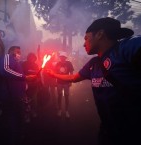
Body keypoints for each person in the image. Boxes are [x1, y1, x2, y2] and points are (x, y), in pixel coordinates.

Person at [46, 17, 141, 145]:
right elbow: (74, 78)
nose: (84, 43)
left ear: (100, 34)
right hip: (108, 132)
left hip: (133, 133)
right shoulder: (93, 64)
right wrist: (53, 74)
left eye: (86, 38)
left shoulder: (125, 48)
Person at [55, 51, 74, 118]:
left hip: (66, 82)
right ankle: (59, 110)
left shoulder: (69, 63)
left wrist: (71, 81)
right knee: (59, 96)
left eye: (63, 57)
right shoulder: (58, 63)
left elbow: (71, 72)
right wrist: (55, 82)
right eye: (61, 57)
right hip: (59, 82)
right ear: (60, 57)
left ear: (65, 57)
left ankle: (66, 111)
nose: (62, 58)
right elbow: (55, 74)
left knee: (66, 96)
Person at [22, 52, 40, 122]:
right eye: (30, 57)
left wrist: (38, 81)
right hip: (25, 86)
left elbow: (38, 76)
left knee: (34, 100)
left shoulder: (36, 65)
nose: (31, 59)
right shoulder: (24, 64)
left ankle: (33, 111)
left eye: (33, 58)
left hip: (34, 86)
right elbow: (21, 74)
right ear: (28, 57)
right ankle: (27, 115)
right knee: (26, 101)